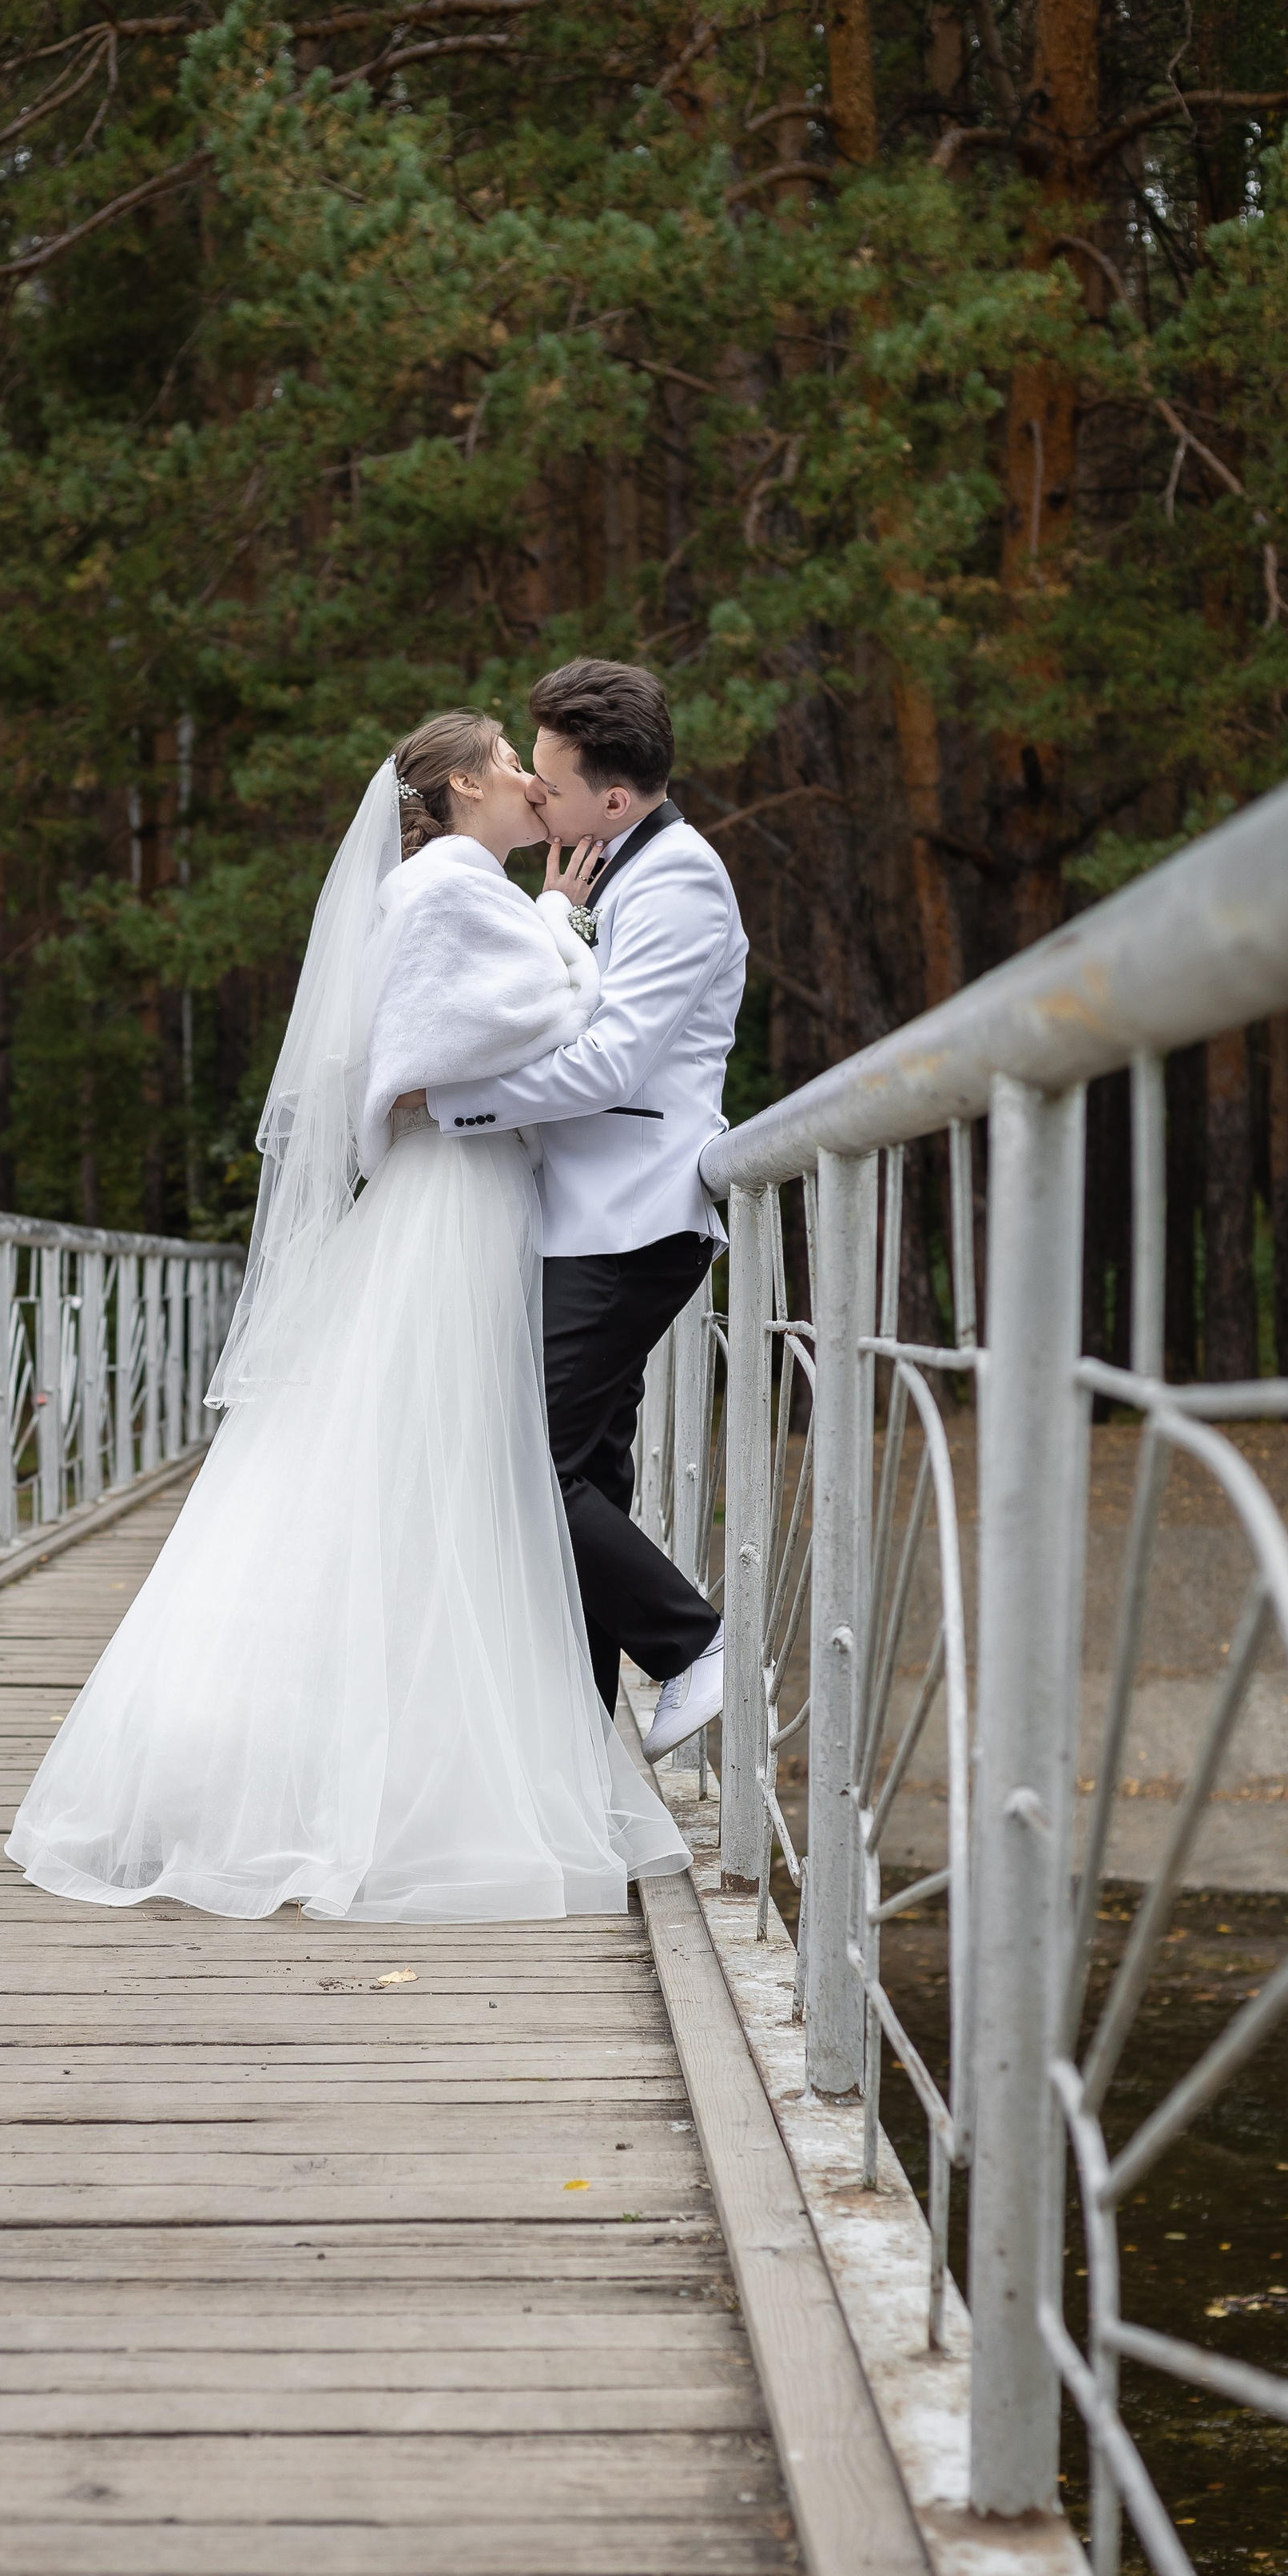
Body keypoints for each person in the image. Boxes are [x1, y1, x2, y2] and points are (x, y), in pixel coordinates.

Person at [4, 712, 687, 1925]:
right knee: (461, 1460)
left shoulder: (453, 884)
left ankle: (430, 1747)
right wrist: (563, 923)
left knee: (439, 1465)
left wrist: (543, 918)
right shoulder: (449, 884)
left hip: (465, 1189)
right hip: (458, 1198)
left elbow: (480, 1019)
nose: (533, 782)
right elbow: (528, 1023)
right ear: (465, 782)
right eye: (512, 761)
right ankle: (416, 1764)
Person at [427, 659, 745, 1762]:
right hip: (581, 1215)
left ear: (613, 798)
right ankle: (578, 1747)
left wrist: (451, 1107)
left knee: (520, 1460)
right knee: (587, 1469)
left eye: (550, 782)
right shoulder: (609, 861)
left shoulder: (680, 882)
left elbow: (611, 1063)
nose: (533, 792)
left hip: (634, 1218)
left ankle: (696, 1642)